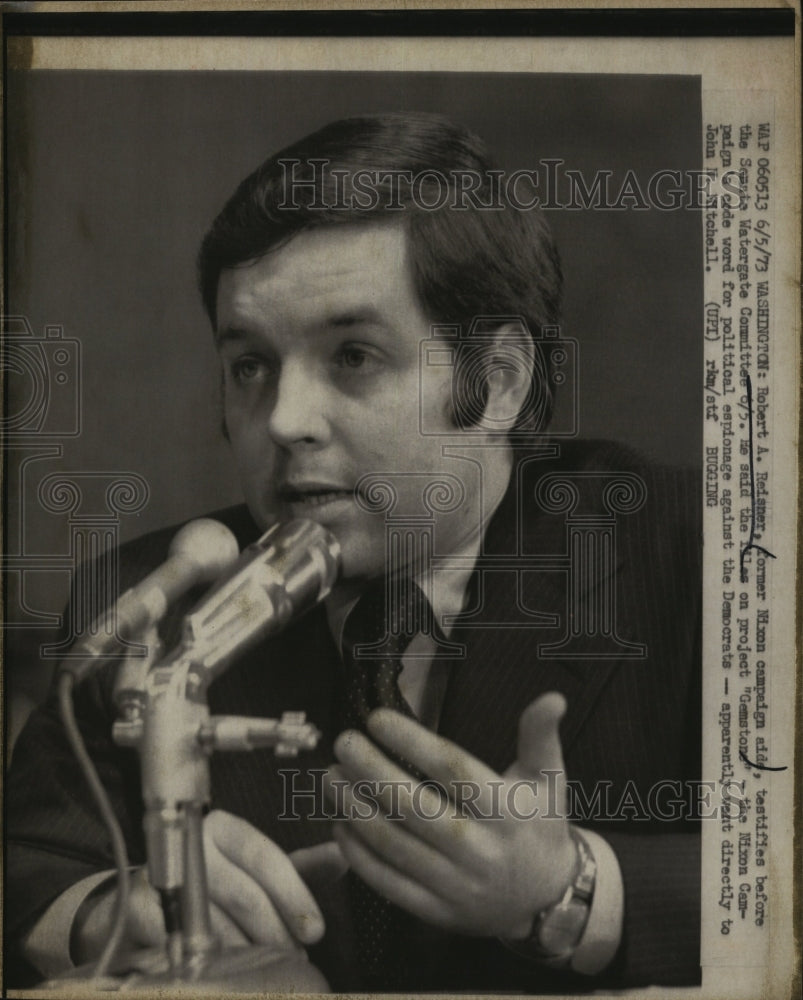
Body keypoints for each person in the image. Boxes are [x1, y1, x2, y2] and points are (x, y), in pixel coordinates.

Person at [6, 112, 702, 992]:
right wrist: (117, 910)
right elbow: (24, 864)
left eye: (354, 356)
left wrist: (569, 892)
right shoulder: (157, 593)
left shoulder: (698, 555)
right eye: (250, 365)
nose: (286, 420)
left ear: (496, 382)